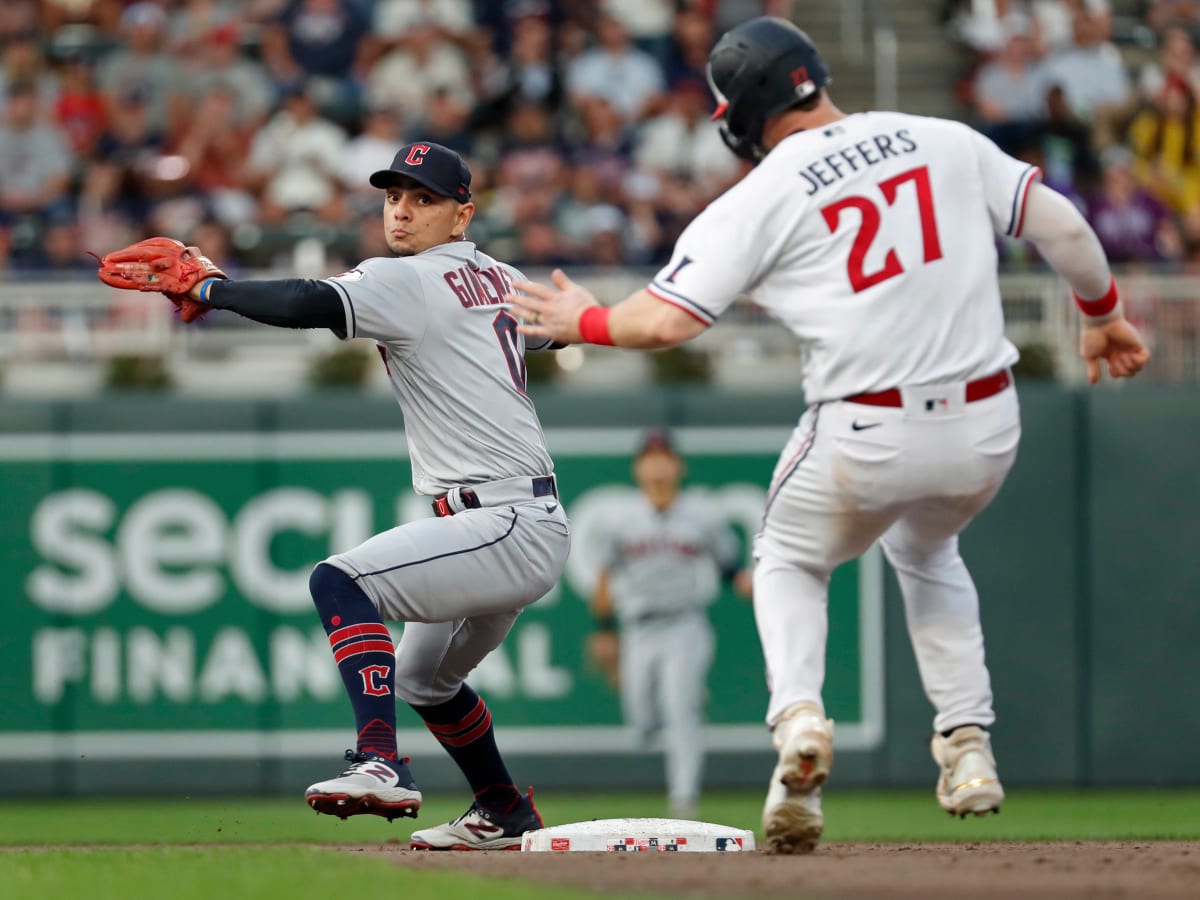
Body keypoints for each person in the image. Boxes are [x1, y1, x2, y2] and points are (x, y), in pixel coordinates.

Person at [506, 17, 1150, 855]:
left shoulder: (762, 195)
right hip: (987, 424)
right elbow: (1060, 223)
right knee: (928, 553)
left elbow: (662, 322)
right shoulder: (941, 137)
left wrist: (582, 318)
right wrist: (1101, 316)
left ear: (741, 109)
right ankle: (966, 746)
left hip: (867, 427)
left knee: (788, 558)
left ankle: (800, 722)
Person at [98, 141, 570, 851]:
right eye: (394, 197)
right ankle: (504, 810)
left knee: (338, 580)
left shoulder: (407, 279)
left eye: (424, 199)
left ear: (462, 215)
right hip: (515, 520)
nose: (403, 211)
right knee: (424, 678)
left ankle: (379, 761)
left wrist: (211, 288)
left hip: (502, 519)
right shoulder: (496, 276)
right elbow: (545, 335)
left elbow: (309, 302)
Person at [588, 429, 750, 820]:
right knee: (642, 722)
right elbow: (605, 577)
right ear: (638, 468)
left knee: (681, 711)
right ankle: (680, 701)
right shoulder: (620, 517)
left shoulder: (702, 514)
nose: (658, 464)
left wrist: (747, 584)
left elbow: (730, 565)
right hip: (639, 629)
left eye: (664, 457)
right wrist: (604, 629)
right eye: (650, 457)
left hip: (685, 625)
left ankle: (684, 800)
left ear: (678, 465)